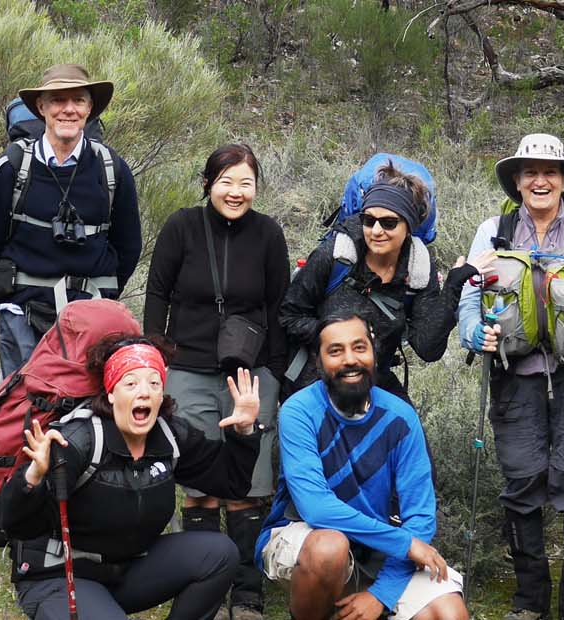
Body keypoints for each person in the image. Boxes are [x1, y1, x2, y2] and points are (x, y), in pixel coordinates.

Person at [457, 134, 564, 620]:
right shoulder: (492, 232)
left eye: (550, 172)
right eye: (529, 172)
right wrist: (475, 335)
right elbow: (470, 299)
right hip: (514, 378)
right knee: (522, 482)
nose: (540, 180)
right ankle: (529, 600)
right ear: (516, 181)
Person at [0, 336, 265, 620]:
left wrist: (244, 434)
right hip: (60, 577)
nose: (144, 392)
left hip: (126, 571)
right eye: (131, 383)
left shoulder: (168, 437)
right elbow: (16, 525)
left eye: (154, 383)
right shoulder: (78, 440)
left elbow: (230, 482)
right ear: (111, 392)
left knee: (219, 553)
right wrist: (33, 477)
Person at [142, 144, 289, 619]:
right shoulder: (182, 226)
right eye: (227, 181)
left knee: (250, 487)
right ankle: (202, 589)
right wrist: (155, 356)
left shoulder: (268, 234)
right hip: (186, 369)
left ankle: (247, 594)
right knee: (200, 486)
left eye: (246, 183)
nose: (236, 192)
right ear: (208, 184)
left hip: (249, 373)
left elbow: (279, 304)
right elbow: (158, 292)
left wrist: (275, 373)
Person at [258, 310, 469, 620]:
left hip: (376, 545)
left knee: (449, 614)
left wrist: (381, 595)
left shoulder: (401, 417)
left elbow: (420, 516)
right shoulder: (299, 412)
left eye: (359, 347)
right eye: (335, 350)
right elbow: (316, 508)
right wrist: (404, 543)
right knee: (330, 548)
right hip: (308, 536)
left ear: (373, 352)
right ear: (319, 361)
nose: (349, 360)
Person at [0, 63, 141, 378]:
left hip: (92, 320)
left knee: (85, 418)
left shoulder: (113, 170)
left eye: (78, 100)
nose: (68, 110)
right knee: (24, 417)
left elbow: (129, 246)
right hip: (23, 319)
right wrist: (7, 304)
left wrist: (103, 299)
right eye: (58, 100)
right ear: (41, 107)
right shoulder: (10, 168)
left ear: (90, 108)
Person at [280, 163, 469, 398]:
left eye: (389, 223)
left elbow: (427, 347)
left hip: (375, 383)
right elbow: (289, 315)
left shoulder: (418, 266)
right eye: (369, 220)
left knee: (408, 431)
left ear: (408, 226)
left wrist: (452, 288)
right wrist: (336, 335)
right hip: (318, 380)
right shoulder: (337, 255)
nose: (376, 231)